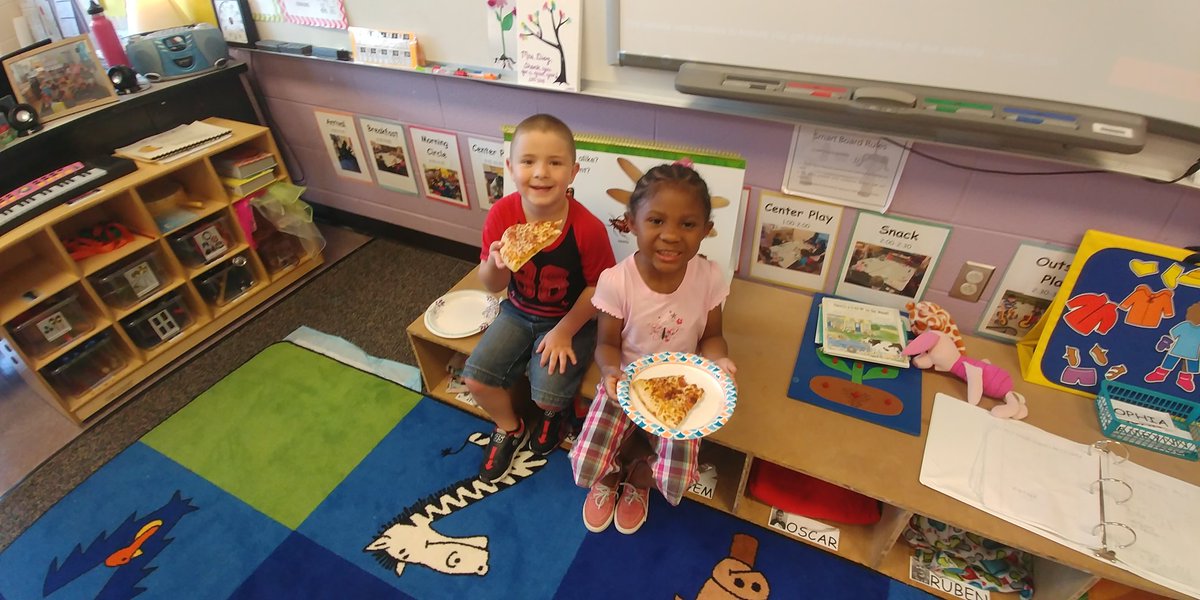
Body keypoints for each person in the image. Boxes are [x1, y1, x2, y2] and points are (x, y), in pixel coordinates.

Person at [569, 161, 736, 535]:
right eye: (656, 221)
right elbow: (607, 344)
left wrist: (719, 361)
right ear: (630, 221)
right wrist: (611, 373)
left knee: (677, 479)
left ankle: (640, 476)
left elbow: (712, 336)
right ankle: (611, 475)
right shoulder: (616, 281)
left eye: (688, 224)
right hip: (625, 381)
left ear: (707, 230)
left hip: (682, 389)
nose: (672, 236)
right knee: (585, 464)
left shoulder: (708, 277)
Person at [462, 114, 615, 483]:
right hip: (517, 310)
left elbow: (600, 289)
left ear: (574, 171)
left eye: (555, 162)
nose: (541, 173)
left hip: (570, 318)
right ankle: (509, 427)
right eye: (528, 161)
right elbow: (492, 282)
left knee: (547, 395)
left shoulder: (587, 228)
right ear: (510, 166)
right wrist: (498, 262)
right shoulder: (502, 215)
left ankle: (551, 415)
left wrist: (564, 331)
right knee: (476, 380)